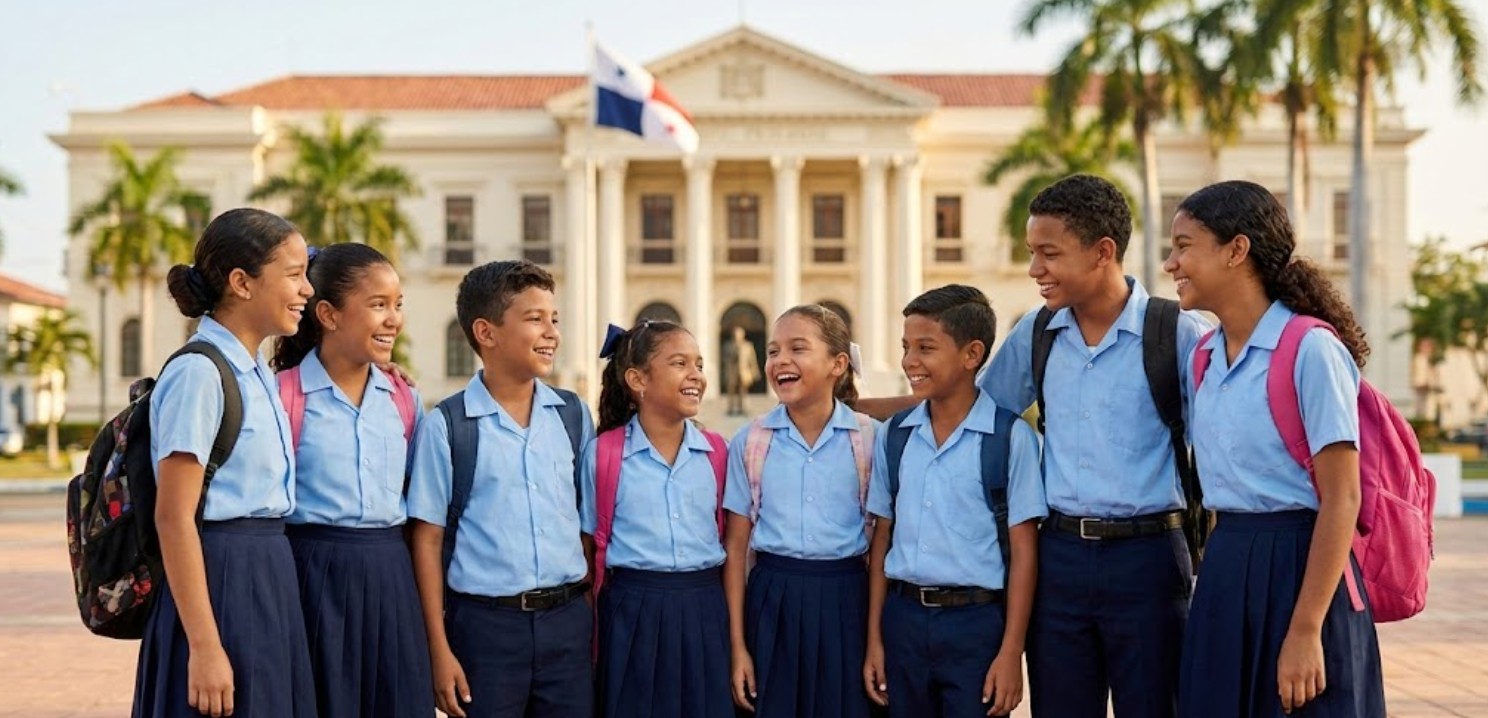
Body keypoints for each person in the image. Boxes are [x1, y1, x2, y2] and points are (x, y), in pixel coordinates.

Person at [977, 174, 1210, 718]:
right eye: (1032, 253)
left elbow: (1225, 445)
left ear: (1103, 252)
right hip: (1058, 560)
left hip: (1151, 559)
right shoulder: (1036, 334)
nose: (1035, 269)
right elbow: (974, 414)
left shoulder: (1178, 334)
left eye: (1049, 253)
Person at [1164, 180, 1385, 717]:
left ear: (1236, 250)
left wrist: (1306, 629)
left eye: (1184, 246)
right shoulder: (1203, 358)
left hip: (1302, 568)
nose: (1171, 263)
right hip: (1225, 566)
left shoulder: (1311, 349)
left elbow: (1342, 498)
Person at [133, 208, 316, 718]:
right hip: (221, 580)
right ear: (242, 282)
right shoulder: (199, 373)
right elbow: (174, 517)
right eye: (294, 274)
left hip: (267, 575)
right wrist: (205, 647)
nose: (307, 290)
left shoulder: (255, 369)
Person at [406, 260, 596, 718]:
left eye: (554, 319)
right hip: (485, 631)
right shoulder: (447, 426)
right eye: (534, 319)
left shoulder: (572, 415)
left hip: (568, 624)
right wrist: (438, 649)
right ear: (486, 333)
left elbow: (587, 524)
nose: (551, 332)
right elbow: (427, 541)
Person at [864, 285, 1045, 718]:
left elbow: (1024, 553)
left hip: (976, 626)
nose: (909, 361)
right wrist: (874, 640)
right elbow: (881, 540)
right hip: (903, 622)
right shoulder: (895, 436)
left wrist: (1011, 652)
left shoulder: (1011, 439)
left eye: (925, 348)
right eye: (905, 347)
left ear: (972, 355)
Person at [270, 242, 432, 718]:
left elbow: (419, 504)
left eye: (398, 304)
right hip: (311, 577)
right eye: (378, 305)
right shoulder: (281, 396)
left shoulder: (403, 399)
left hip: (391, 576)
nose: (393, 319)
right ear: (328, 314)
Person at [722, 304, 876, 718]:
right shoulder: (751, 442)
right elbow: (735, 549)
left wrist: (876, 639)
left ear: (837, 364)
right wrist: (738, 647)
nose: (780, 360)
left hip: (848, 600)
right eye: (773, 351)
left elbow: (882, 543)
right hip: (772, 600)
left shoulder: (870, 440)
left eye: (797, 348)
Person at [582, 320, 733, 718]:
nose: (696, 375)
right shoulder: (603, 454)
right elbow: (587, 548)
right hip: (632, 613)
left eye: (699, 364)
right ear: (638, 380)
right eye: (680, 363)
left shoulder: (718, 452)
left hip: (705, 608)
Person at [724, 325, 762, 416]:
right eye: (736, 334)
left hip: (744, 371)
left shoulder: (748, 346)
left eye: (739, 334)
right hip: (732, 371)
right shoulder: (729, 346)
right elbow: (725, 360)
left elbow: (752, 360)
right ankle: (731, 408)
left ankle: (743, 408)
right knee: (731, 390)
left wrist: (755, 371)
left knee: (743, 391)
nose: (738, 336)